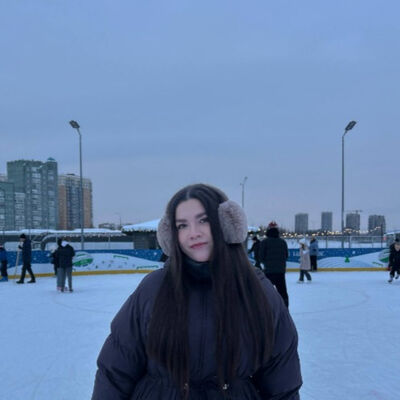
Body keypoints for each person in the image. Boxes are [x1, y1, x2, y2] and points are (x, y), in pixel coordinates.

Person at [92, 184, 302, 399]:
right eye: (182, 225)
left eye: (204, 220)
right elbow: (115, 371)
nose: (193, 233)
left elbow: (282, 381)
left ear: (226, 224)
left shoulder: (258, 291)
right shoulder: (152, 288)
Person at [259, 221, 290, 308]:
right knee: (282, 292)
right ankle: (285, 309)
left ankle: (266, 308)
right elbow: (286, 256)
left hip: (269, 271)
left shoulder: (264, 242)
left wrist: (266, 263)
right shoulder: (283, 242)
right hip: (280, 271)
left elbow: (261, 257)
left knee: (266, 291)